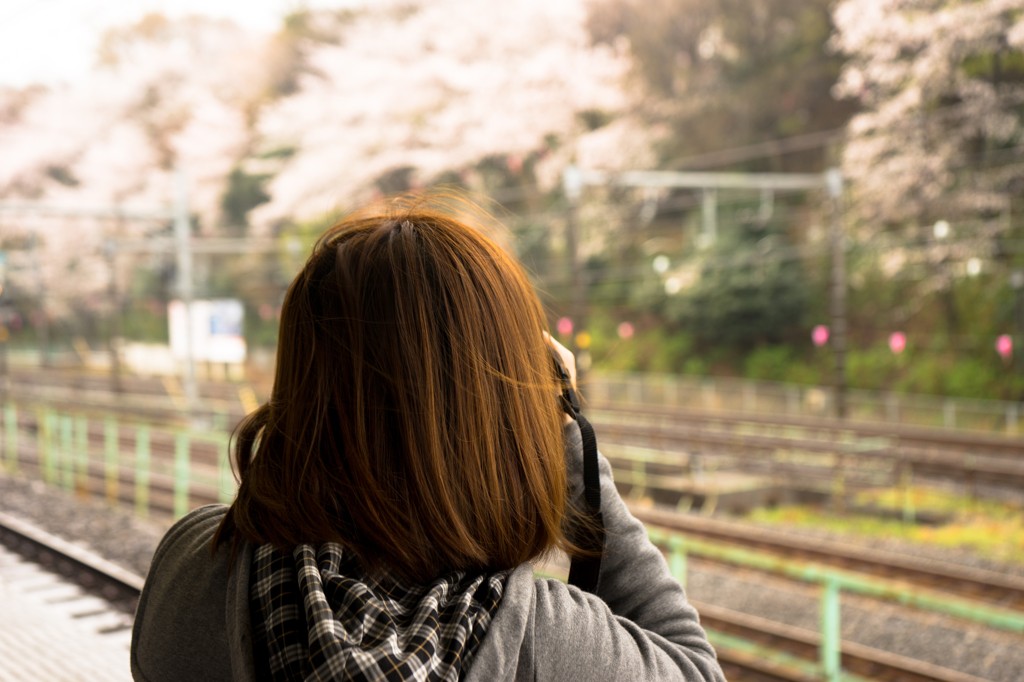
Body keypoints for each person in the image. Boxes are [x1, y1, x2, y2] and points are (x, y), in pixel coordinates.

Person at [130, 195, 725, 682]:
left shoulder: (193, 571)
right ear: (510, 415)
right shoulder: (547, 642)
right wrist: (568, 435)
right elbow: (693, 669)